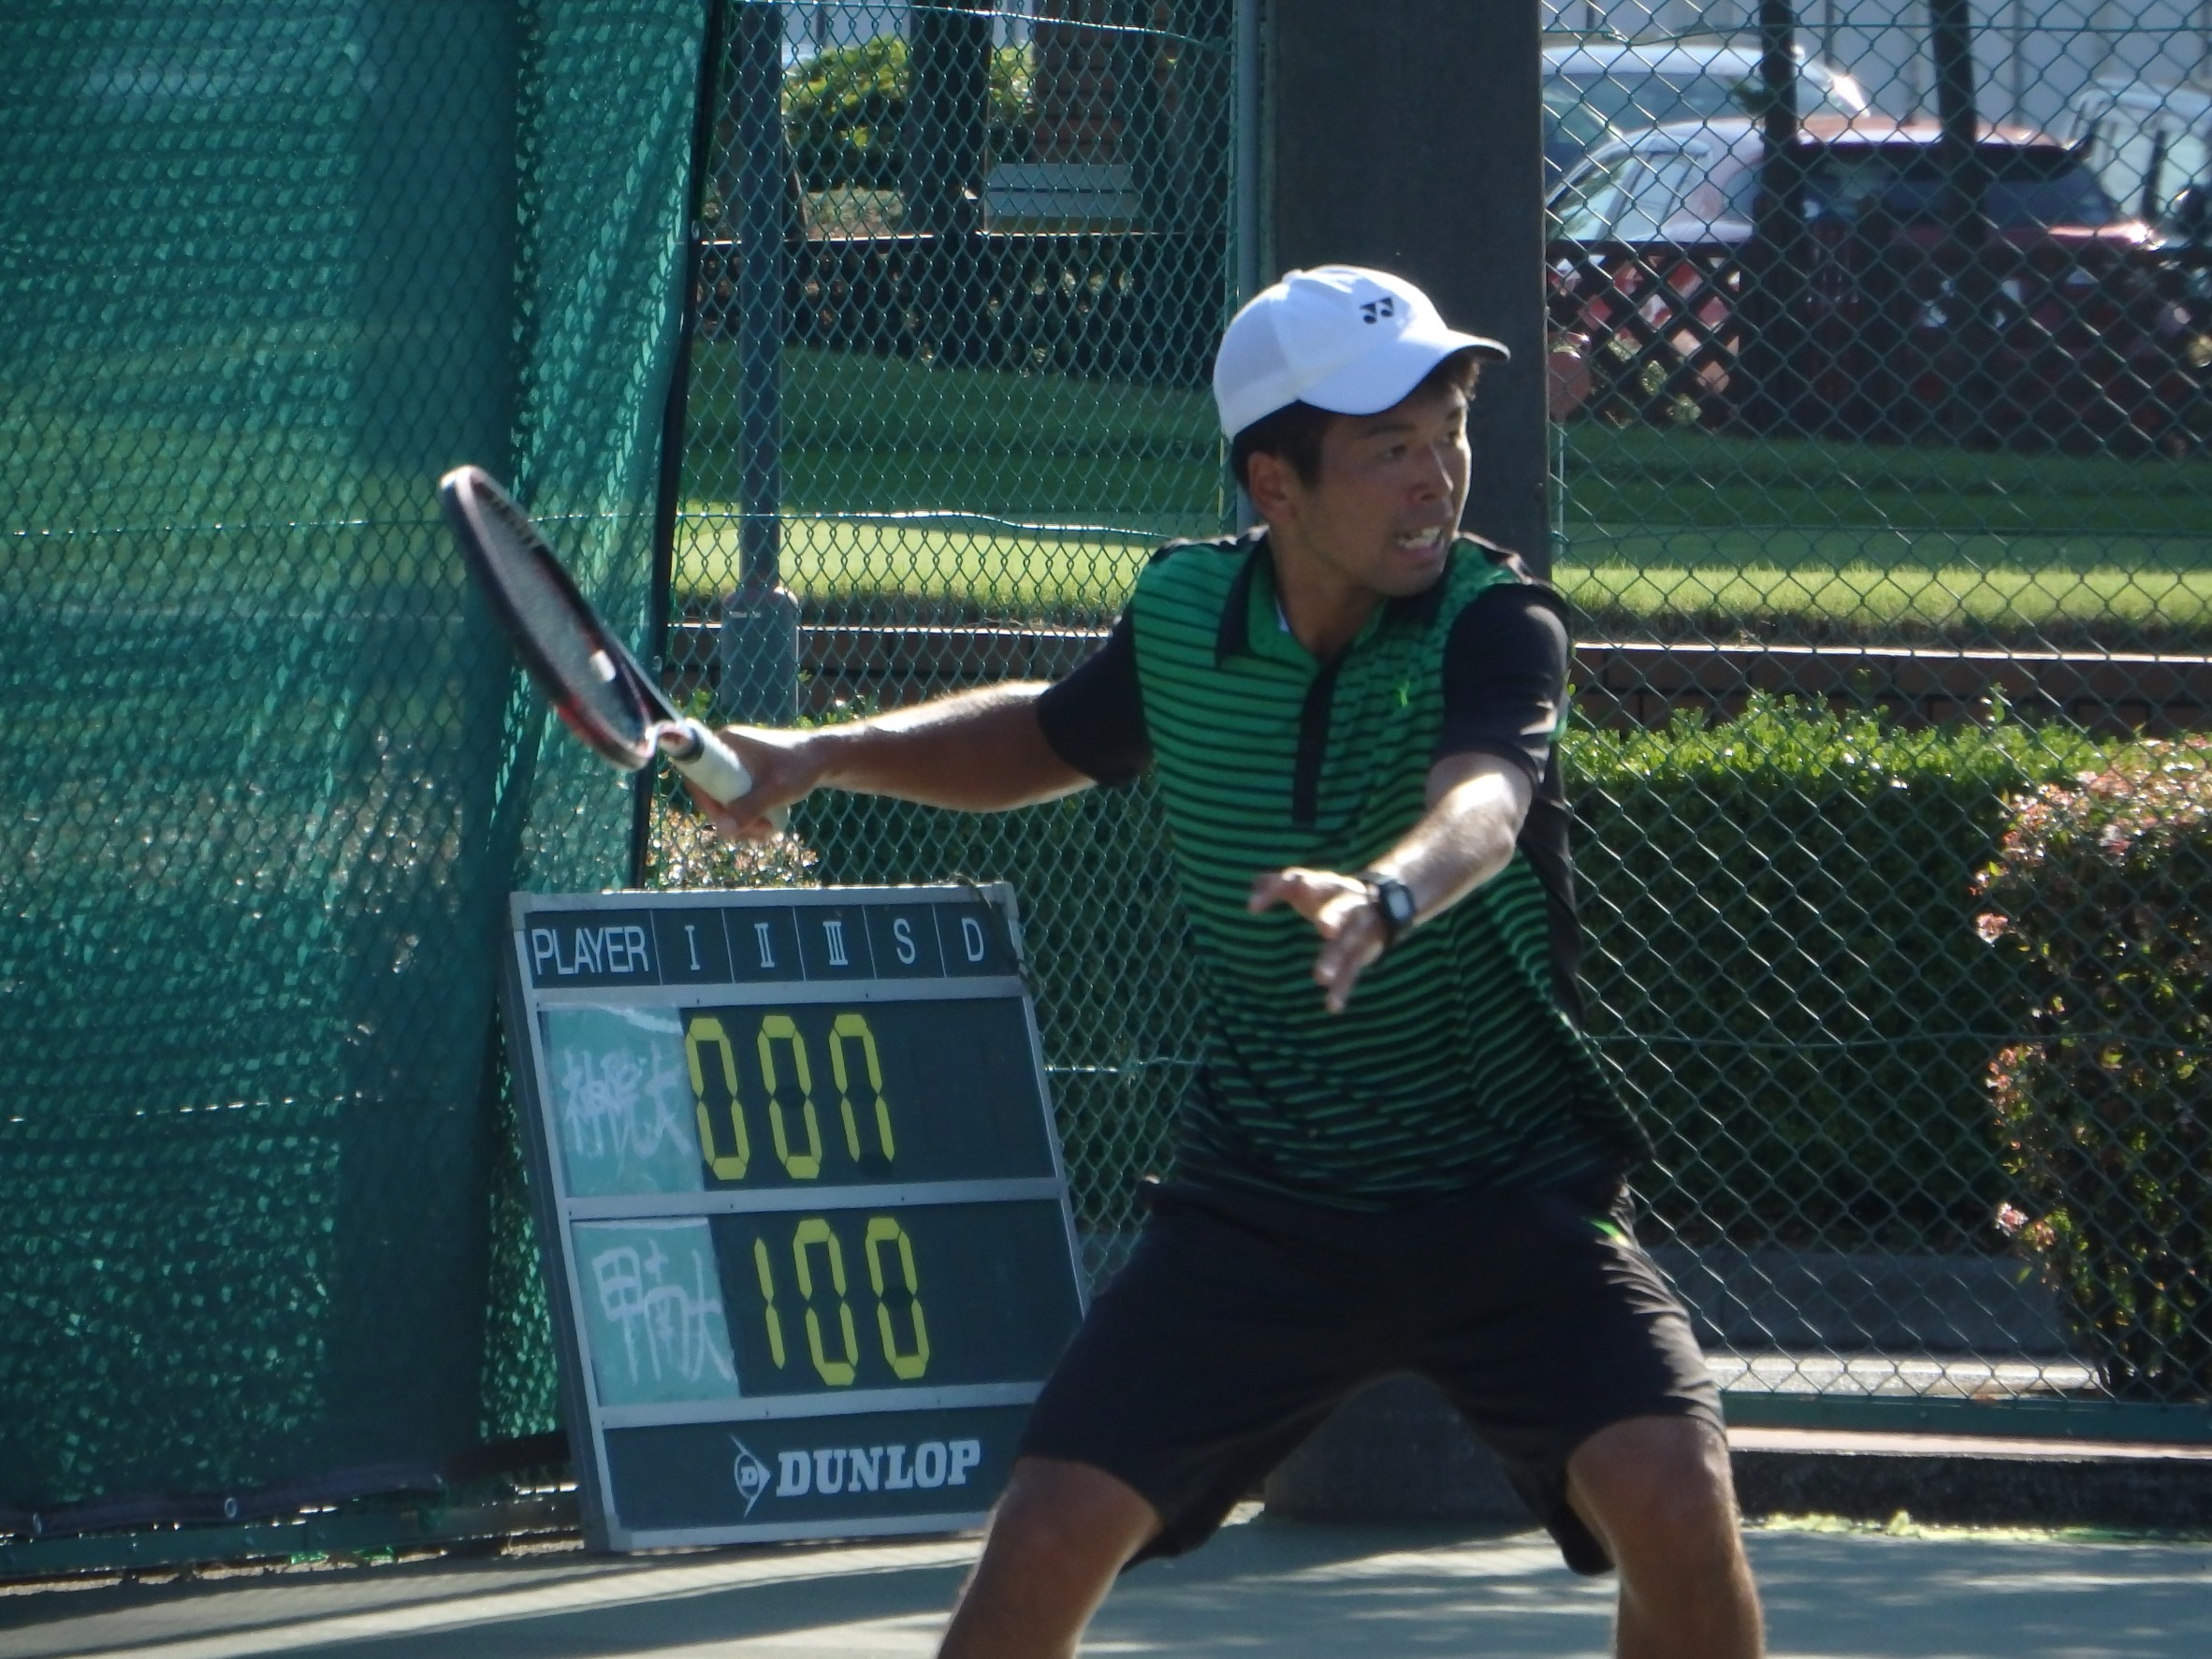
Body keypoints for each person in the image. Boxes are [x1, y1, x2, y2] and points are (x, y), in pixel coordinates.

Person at [694, 265, 1766, 1659]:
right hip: (1264, 1203)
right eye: (1389, 447)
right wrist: (825, 752)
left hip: (1509, 1196)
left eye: (1449, 432)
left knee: (1672, 1491)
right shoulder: (1186, 618)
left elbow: (1487, 804)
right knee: (1046, 1532)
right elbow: (1047, 733)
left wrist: (1388, 892)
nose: (1436, 475)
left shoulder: (1496, 620)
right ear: (1276, 484)